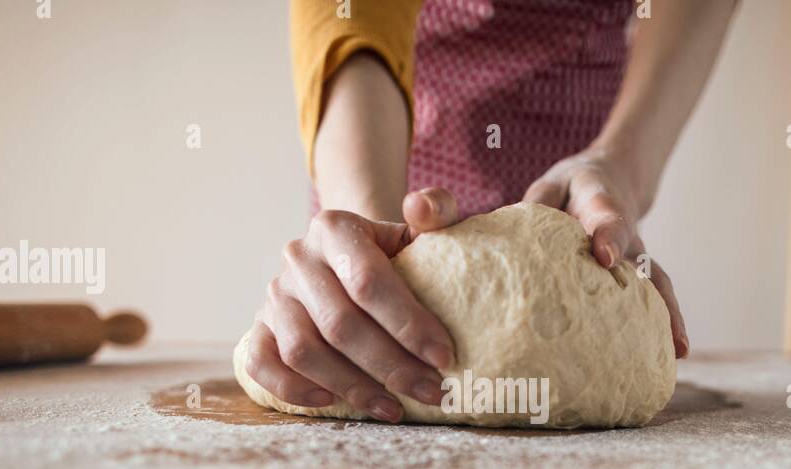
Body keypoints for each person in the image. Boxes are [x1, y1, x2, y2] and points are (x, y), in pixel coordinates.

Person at [247, 0, 738, 422]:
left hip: (580, 211)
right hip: (391, 157)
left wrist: (620, 169)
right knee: (354, 323)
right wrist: (368, 249)